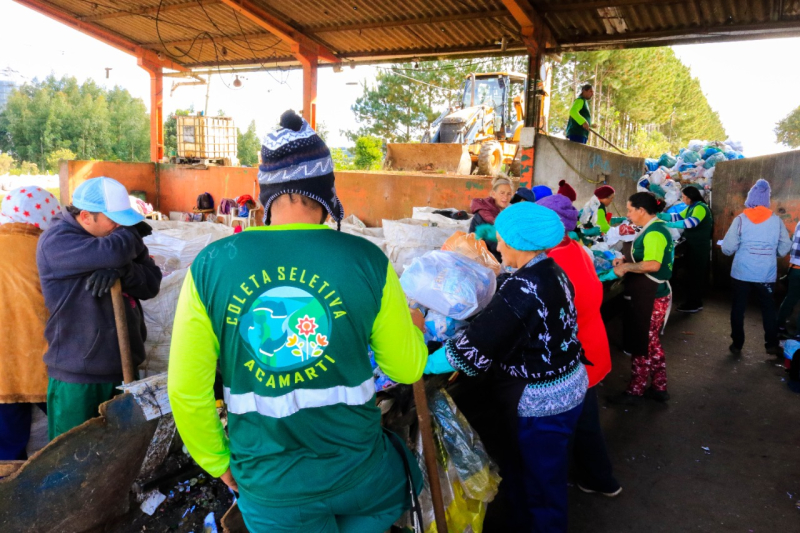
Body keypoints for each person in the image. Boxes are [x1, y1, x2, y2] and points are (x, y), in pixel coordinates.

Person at [168, 110, 428, 532]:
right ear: (328, 192)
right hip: (360, 474)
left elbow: (185, 389)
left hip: (271, 487)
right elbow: (405, 368)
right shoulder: (367, 261)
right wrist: (412, 332)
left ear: (264, 192)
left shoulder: (213, 265)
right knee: (400, 479)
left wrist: (218, 462)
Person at [425, 201, 588, 532]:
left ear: (519, 242)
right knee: (544, 474)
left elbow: (470, 351)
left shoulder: (523, 287)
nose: (497, 247)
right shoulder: (551, 270)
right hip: (570, 386)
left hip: (543, 403)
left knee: (541, 484)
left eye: (501, 239)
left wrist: (421, 362)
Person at [37, 177, 161, 439]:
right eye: (113, 220)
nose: (119, 227)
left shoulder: (116, 239)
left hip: (124, 368)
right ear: (85, 216)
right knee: (72, 461)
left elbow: (151, 284)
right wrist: (130, 235)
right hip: (79, 375)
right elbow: (115, 250)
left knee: (118, 459)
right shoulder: (57, 241)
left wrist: (123, 271)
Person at [536, 194, 620, 497]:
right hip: (591, 344)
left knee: (577, 422)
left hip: (576, 354)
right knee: (585, 416)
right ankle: (598, 476)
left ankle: (597, 478)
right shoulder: (578, 249)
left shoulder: (551, 264)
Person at [0, 187, 61, 459]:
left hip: (3, 374)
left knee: (8, 450)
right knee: (70, 435)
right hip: (47, 363)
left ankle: (11, 494)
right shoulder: (49, 250)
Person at [610, 192, 674, 404]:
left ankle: (637, 389)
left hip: (652, 295)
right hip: (646, 294)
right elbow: (645, 257)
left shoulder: (655, 232)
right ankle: (659, 386)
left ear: (641, 210)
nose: (627, 214)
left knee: (643, 342)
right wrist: (624, 259)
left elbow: (653, 264)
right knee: (650, 342)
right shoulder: (650, 229)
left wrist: (628, 266)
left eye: (629, 210)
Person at [721, 179, 791, 356]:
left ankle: (737, 344)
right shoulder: (776, 221)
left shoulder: (741, 220)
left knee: (738, 308)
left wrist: (731, 248)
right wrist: (771, 254)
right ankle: (771, 345)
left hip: (741, 273)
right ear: (767, 200)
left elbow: (728, 247)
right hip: (766, 274)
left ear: (750, 198)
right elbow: (785, 245)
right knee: (768, 309)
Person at [658, 186, 713, 313]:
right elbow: (676, 216)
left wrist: (668, 225)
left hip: (699, 246)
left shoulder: (700, 208)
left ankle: (694, 304)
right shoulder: (691, 207)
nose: (682, 199)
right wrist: (659, 216)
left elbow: (690, 223)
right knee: (693, 274)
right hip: (693, 244)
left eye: (683, 196)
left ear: (690, 197)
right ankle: (694, 302)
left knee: (696, 275)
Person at [470, 175, 513, 259]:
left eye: (509, 194)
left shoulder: (504, 212)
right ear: (493, 194)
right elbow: (495, 244)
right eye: (502, 193)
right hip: (481, 258)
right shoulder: (486, 215)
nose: (505, 197)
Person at [777, 218, 800, 339]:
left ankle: (779, 327)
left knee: (790, 298)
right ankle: (798, 335)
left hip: (794, 268)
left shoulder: (799, 223)